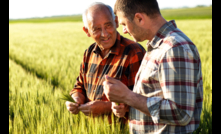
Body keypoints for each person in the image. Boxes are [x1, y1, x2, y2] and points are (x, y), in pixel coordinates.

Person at [103, 0, 203, 133]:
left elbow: (180, 113)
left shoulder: (173, 48)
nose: (124, 31)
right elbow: (155, 95)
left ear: (139, 18)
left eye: (124, 24)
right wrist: (129, 105)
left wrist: (128, 96)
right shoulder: (157, 46)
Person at [65, 2, 146, 124]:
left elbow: (144, 100)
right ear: (87, 31)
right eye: (96, 29)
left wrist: (106, 107)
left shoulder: (134, 52)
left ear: (116, 22)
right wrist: (76, 100)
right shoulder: (89, 53)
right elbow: (79, 86)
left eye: (108, 25)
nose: (104, 34)